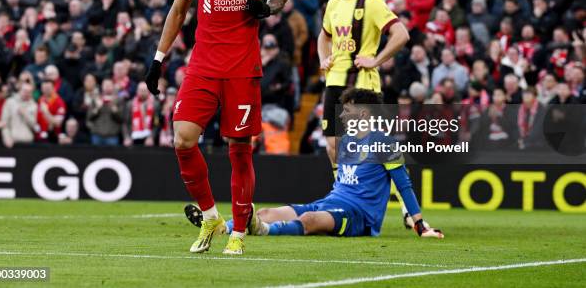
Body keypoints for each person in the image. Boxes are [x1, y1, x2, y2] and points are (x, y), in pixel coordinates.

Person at [144, 0, 288, 255]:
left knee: (239, 150)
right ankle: (210, 217)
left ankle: (238, 232)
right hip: (203, 67)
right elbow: (178, 12)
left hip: (242, 70)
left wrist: (266, 9)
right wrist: (158, 60)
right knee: (183, 139)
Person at [186, 88, 443, 239]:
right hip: (330, 202)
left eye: (347, 110)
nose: (341, 114)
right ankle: (222, 227)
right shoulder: (347, 141)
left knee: (309, 219)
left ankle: (263, 231)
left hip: (359, 216)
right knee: (265, 211)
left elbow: (404, 186)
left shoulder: (385, 144)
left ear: (364, 114)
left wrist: (420, 225)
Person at [317, 0, 409, 171]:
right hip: (335, 81)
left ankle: (405, 197)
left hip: (362, 83)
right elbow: (324, 35)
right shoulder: (332, 5)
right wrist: (324, 58)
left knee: (371, 145)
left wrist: (376, 60)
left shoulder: (372, 1)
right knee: (332, 145)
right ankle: (343, 195)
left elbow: (401, 34)